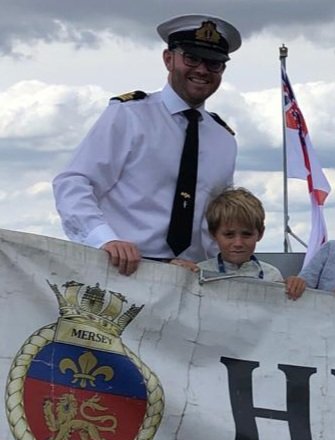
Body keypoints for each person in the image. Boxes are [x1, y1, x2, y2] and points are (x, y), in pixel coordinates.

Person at [52, 14, 242, 276]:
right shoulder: (128, 115)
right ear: (168, 59)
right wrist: (105, 239)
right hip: (123, 269)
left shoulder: (224, 140)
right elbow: (73, 183)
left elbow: (223, 217)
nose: (201, 70)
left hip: (191, 277)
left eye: (213, 63)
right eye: (191, 58)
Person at [172, 187, 284, 283]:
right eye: (229, 235)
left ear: (260, 233)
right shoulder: (199, 273)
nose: (238, 243)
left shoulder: (272, 277)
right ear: (213, 233)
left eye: (247, 234)